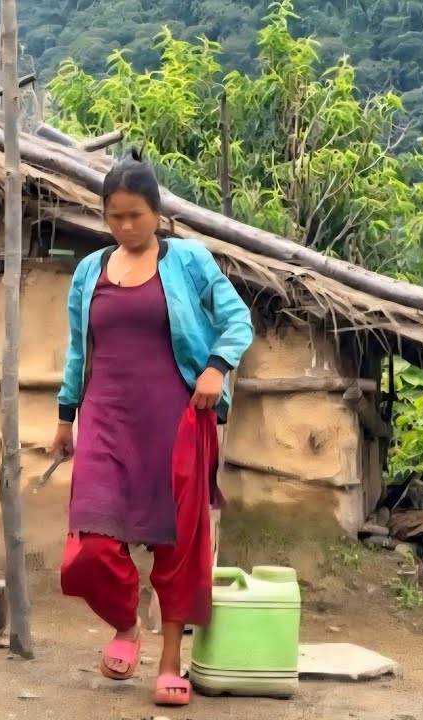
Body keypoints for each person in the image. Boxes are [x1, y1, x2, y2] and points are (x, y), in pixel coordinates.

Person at [51, 150, 254, 707]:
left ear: (157, 212)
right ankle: (125, 622)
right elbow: (78, 350)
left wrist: (216, 367)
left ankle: (170, 660)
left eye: (136, 215)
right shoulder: (89, 271)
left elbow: (238, 320)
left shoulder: (189, 261)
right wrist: (66, 415)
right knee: (88, 547)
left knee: (177, 544)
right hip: (104, 420)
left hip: (176, 418)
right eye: (114, 216)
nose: (125, 226)